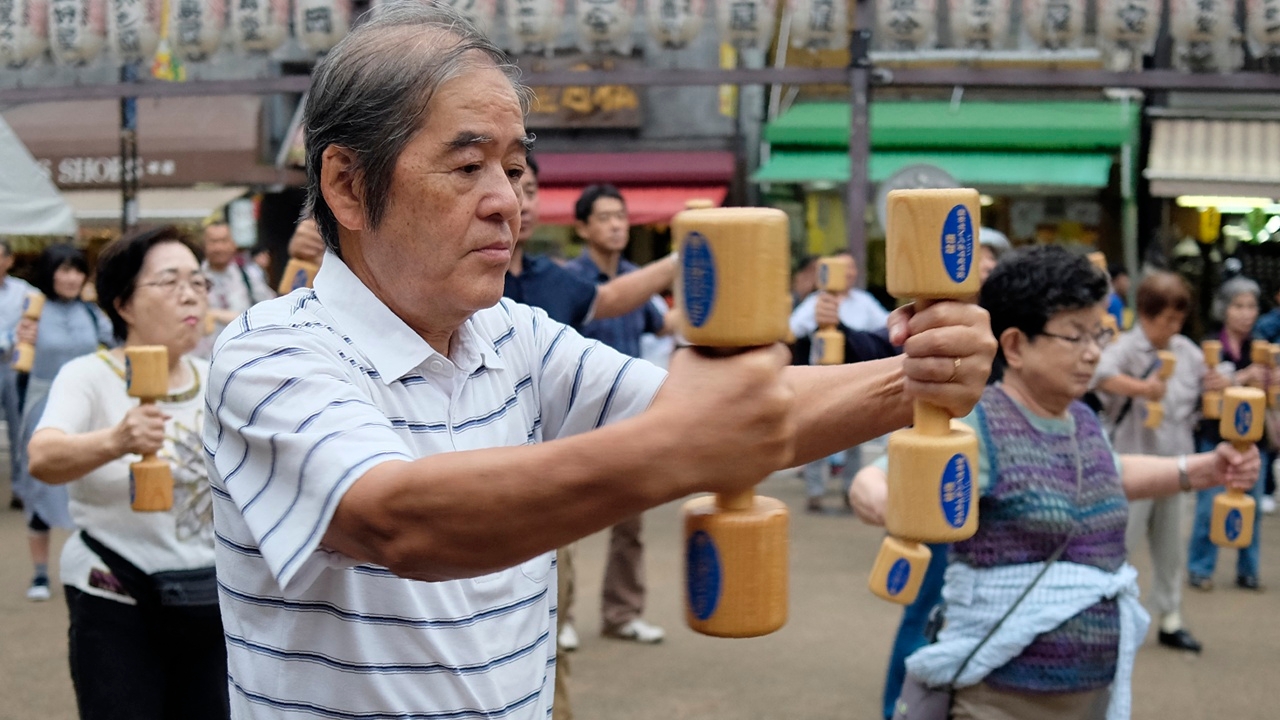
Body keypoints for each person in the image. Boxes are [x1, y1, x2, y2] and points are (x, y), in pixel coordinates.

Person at [203, 5, 997, 718]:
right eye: (467, 165)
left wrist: (914, 376)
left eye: (515, 169)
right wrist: (680, 447)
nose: (508, 201)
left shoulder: (516, 336)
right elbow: (399, 518)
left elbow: (740, 414)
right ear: (346, 184)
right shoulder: (268, 353)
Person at [850, 245, 1257, 720]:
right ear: (1017, 346)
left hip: (1090, 694)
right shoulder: (978, 424)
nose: (1092, 353)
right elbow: (871, 482)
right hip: (999, 699)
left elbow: (1111, 473)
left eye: (1097, 334)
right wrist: (895, 507)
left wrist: (1203, 469)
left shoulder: (1081, 419)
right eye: (1075, 335)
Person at [26, 226, 227, 719]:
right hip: (116, 589)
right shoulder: (89, 376)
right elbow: (43, 457)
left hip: (211, 597)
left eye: (198, 283)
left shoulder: (219, 378)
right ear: (123, 304)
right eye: (170, 281)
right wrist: (116, 440)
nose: (190, 296)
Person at [876, 225, 1012, 719]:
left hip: (985, 485)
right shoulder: (922, 326)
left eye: (992, 262)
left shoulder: (1009, 330)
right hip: (937, 473)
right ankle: (900, 709)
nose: (983, 270)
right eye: (976, 259)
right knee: (923, 612)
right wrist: (878, 484)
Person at [564, 183, 669, 646]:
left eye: (621, 217)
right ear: (583, 227)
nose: (616, 225)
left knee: (631, 525)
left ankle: (622, 614)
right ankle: (561, 617)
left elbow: (668, 325)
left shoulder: (637, 279)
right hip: (576, 416)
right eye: (605, 217)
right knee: (561, 523)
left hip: (630, 416)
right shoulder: (569, 280)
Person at [1091, 271, 1210, 653]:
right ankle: (1106, 616)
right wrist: (1141, 388)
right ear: (1146, 313)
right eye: (1166, 318)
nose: (1173, 326)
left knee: (1171, 547)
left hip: (1178, 462)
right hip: (1132, 464)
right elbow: (1098, 373)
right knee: (1120, 543)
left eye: (1179, 318)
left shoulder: (1188, 352)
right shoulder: (1126, 348)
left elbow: (1205, 388)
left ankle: (1170, 617)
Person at [11, 244, 114, 601]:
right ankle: (40, 574)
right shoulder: (33, 310)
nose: (70, 277)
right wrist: (17, 340)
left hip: (86, 409)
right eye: (63, 269)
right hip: (42, 406)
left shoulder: (91, 313)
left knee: (88, 484)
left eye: (76, 270)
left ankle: (92, 566)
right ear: (50, 273)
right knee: (40, 487)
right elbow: (14, 353)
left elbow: (116, 340)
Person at [789, 252, 890, 513]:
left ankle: (850, 489)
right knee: (817, 435)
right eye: (843, 267)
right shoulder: (817, 301)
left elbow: (886, 328)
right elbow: (792, 329)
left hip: (855, 377)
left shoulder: (864, 302)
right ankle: (815, 492)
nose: (849, 273)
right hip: (820, 379)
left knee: (854, 436)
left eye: (853, 267)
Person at [1187, 276, 1268, 592]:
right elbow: (1212, 383)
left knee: (1253, 507)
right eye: (1238, 306)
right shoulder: (1211, 346)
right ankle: (1200, 567)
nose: (1246, 313)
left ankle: (1248, 570)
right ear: (1225, 309)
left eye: (1251, 306)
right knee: (1209, 507)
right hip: (1214, 438)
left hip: (1253, 439)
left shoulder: (1260, 347)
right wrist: (1245, 376)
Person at [196, 221, 276, 358]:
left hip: (245, 358)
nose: (219, 247)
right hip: (204, 360)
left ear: (233, 244)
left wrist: (217, 315)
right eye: (213, 242)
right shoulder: (193, 279)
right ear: (204, 246)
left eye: (223, 241)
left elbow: (273, 311)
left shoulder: (249, 277)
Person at [0, 239, 35, 510]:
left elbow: (36, 314)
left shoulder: (22, 291)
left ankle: (19, 490)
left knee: (17, 429)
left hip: (12, 366)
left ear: (10, 260)